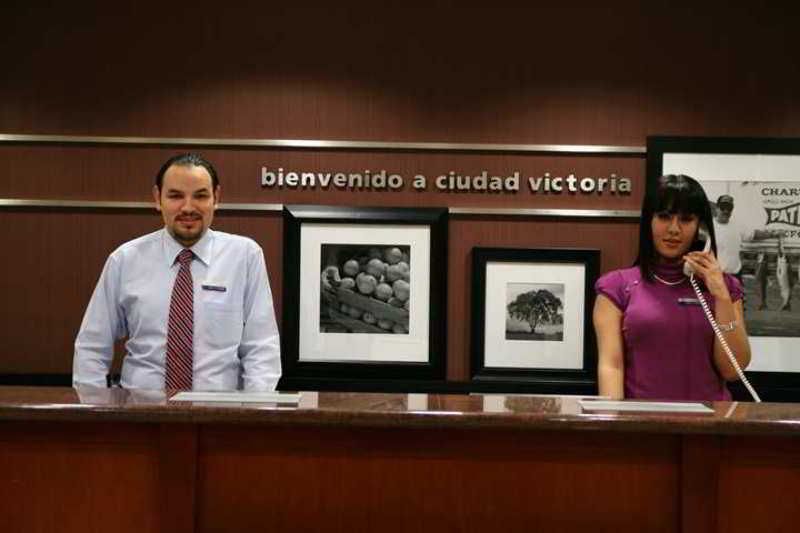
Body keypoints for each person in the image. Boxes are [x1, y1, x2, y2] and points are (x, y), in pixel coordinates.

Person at [73, 153, 281, 391]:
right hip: (140, 413)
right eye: (175, 196)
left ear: (216, 198)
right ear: (157, 198)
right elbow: (92, 346)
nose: (188, 207)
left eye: (201, 196)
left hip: (220, 414)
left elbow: (261, 348)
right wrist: (94, 412)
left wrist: (251, 418)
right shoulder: (125, 260)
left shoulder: (245, 256)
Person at [593, 175, 752, 401]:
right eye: (664, 217)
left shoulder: (725, 288)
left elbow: (732, 370)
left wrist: (721, 294)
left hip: (710, 427)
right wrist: (615, 427)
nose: (674, 229)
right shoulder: (616, 287)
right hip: (642, 426)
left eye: (686, 219)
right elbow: (611, 366)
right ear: (649, 221)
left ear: (702, 228)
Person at [713, 194, 782, 310]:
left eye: (729, 208)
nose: (726, 211)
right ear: (717, 208)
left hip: (735, 276)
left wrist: (773, 234)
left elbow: (754, 234)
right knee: (716, 311)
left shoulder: (737, 226)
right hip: (716, 277)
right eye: (723, 207)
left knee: (738, 311)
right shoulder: (709, 226)